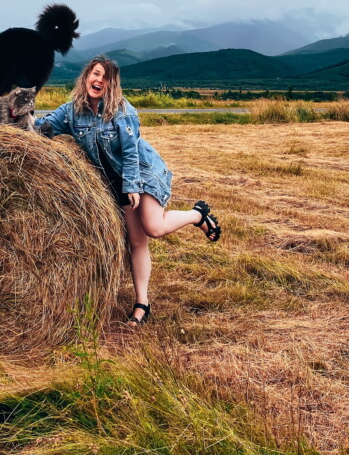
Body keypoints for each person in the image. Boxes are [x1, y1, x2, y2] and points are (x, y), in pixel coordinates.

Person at [35, 57, 221, 324]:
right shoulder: (72, 111)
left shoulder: (123, 111)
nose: (99, 80)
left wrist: (132, 186)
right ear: (87, 76)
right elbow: (44, 127)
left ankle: (197, 215)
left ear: (112, 84)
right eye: (95, 74)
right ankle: (142, 304)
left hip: (141, 173)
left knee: (153, 228)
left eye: (106, 77)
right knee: (136, 242)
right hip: (114, 181)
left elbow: (131, 153)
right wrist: (13, 124)